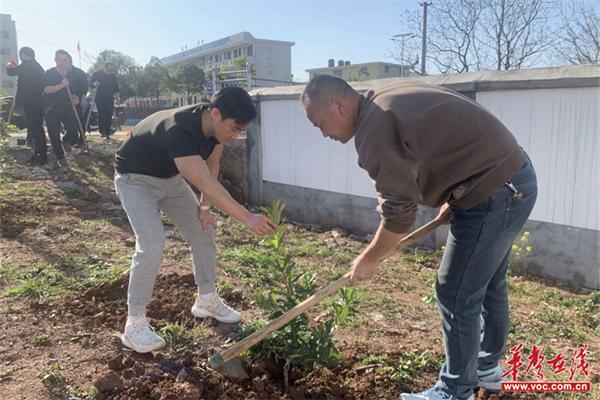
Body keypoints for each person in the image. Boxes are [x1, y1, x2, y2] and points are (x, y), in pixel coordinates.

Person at [301, 76, 537, 400]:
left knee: (454, 291)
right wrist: (454, 194)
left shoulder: (375, 127)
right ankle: (486, 368)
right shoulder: (381, 98)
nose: (323, 134)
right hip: (510, 179)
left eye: (319, 124)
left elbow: (399, 213)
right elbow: (440, 142)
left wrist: (369, 258)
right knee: (488, 284)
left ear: (338, 105)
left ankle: (455, 391)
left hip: (494, 192)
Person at [115, 86, 276, 353]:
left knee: (204, 230)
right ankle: (134, 325)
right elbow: (200, 179)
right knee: (152, 242)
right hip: (135, 179)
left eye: (240, 131)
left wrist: (203, 210)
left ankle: (206, 299)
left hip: (170, 179)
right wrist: (247, 217)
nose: (235, 136)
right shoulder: (180, 129)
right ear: (215, 113)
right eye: (234, 128)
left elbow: (211, 169)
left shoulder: (215, 133)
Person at [42, 50, 86, 166]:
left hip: (67, 107)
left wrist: (75, 99)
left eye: (64, 60)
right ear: (55, 60)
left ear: (68, 61)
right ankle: (60, 157)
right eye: (59, 60)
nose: (62, 62)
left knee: (73, 132)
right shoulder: (49, 73)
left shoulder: (70, 75)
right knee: (54, 133)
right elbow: (46, 90)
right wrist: (62, 85)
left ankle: (66, 141)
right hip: (52, 107)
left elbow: (74, 93)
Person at [5, 47, 46, 165]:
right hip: (37, 102)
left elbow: (10, 71)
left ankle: (40, 155)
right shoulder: (38, 67)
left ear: (23, 55)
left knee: (35, 128)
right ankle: (38, 153)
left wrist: (9, 64)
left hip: (30, 102)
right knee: (35, 128)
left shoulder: (26, 65)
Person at [90, 61, 120, 139]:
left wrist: (117, 97)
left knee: (109, 114)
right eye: (108, 69)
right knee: (102, 114)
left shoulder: (113, 77)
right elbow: (90, 84)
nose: (109, 71)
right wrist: (94, 83)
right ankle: (102, 131)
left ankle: (107, 133)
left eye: (111, 69)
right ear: (105, 67)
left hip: (109, 98)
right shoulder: (97, 74)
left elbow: (116, 88)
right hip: (99, 97)